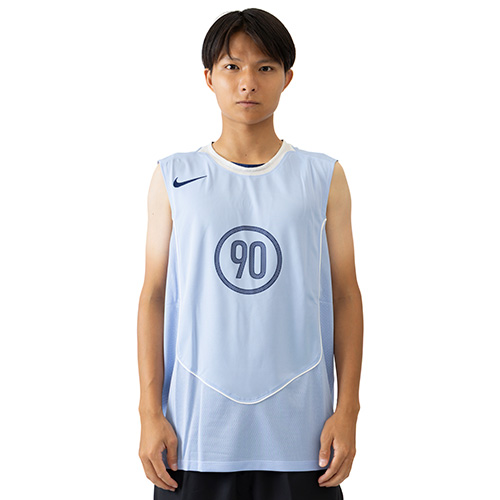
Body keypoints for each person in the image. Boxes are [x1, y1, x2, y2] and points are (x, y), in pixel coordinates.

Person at [137, 8, 363, 500]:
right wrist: (149, 412)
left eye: (264, 67)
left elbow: (346, 294)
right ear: (209, 77)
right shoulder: (174, 176)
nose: (247, 82)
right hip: (195, 435)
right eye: (232, 67)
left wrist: (348, 410)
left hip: (303, 437)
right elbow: (154, 296)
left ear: (287, 78)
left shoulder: (323, 175)